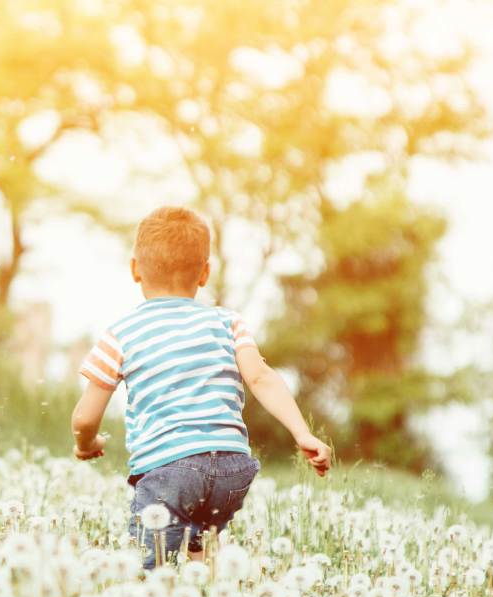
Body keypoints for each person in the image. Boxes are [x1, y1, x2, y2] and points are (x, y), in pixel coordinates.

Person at [70, 206, 331, 569]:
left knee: (148, 566)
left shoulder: (122, 334)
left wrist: (87, 444)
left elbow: (85, 418)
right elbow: (261, 378)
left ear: (135, 269)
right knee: (203, 541)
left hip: (167, 469)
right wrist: (302, 433)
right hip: (232, 469)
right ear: (205, 273)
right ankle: (209, 591)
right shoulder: (227, 322)